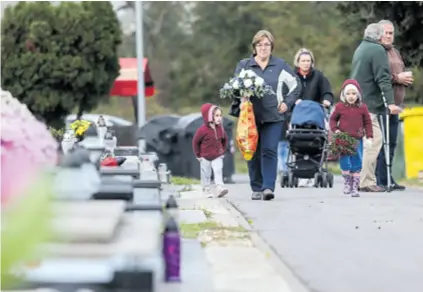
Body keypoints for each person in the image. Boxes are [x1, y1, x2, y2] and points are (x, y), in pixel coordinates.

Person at [233, 30, 301, 201]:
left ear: (272, 47)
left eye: (267, 45)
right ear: (254, 47)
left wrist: (287, 103)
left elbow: (296, 86)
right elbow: (235, 87)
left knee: (269, 150)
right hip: (250, 116)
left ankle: (268, 187)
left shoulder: (280, 65)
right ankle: (256, 187)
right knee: (253, 151)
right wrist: (241, 96)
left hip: (274, 116)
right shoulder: (245, 65)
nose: (263, 48)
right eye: (260, 44)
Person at [350, 23, 403, 193]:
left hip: (358, 101)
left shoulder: (361, 48)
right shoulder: (377, 50)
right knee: (375, 141)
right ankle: (366, 181)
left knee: (369, 141)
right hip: (369, 104)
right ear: (378, 36)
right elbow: (383, 78)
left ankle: (365, 179)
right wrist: (391, 103)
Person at [376, 20, 413, 191]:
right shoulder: (376, 51)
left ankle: (388, 178)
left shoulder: (395, 52)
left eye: (391, 33)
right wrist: (397, 78)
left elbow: (398, 74)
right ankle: (380, 179)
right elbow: (377, 76)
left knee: (392, 142)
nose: (389, 36)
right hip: (382, 103)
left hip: (396, 104)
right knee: (382, 142)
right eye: (386, 32)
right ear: (379, 33)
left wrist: (404, 78)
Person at [288, 48, 334, 187]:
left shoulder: (318, 76)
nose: (306, 63)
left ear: (312, 62)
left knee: (317, 141)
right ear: (298, 62)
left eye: (308, 61)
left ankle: (314, 172)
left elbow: (327, 92)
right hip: (297, 117)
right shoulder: (291, 76)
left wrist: (326, 100)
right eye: (303, 61)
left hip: (315, 117)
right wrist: (292, 101)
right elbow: (285, 92)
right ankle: (300, 172)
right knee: (297, 142)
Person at [329, 79, 373, 197]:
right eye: (348, 94)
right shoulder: (340, 107)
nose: (351, 96)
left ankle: (354, 186)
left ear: (358, 94)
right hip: (343, 139)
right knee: (345, 162)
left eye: (354, 94)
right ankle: (347, 182)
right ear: (344, 95)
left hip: (357, 139)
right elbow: (333, 119)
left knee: (357, 162)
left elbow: (368, 122)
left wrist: (369, 137)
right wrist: (335, 130)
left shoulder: (362, 108)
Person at [192, 103, 228, 198]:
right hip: (205, 156)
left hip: (217, 155)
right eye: (216, 116)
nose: (219, 118)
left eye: (220, 115)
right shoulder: (202, 130)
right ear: (209, 116)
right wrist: (198, 155)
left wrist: (222, 151)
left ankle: (220, 187)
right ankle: (206, 189)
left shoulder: (221, 129)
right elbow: (195, 142)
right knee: (206, 173)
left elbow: (225, 140)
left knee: (218, 170)